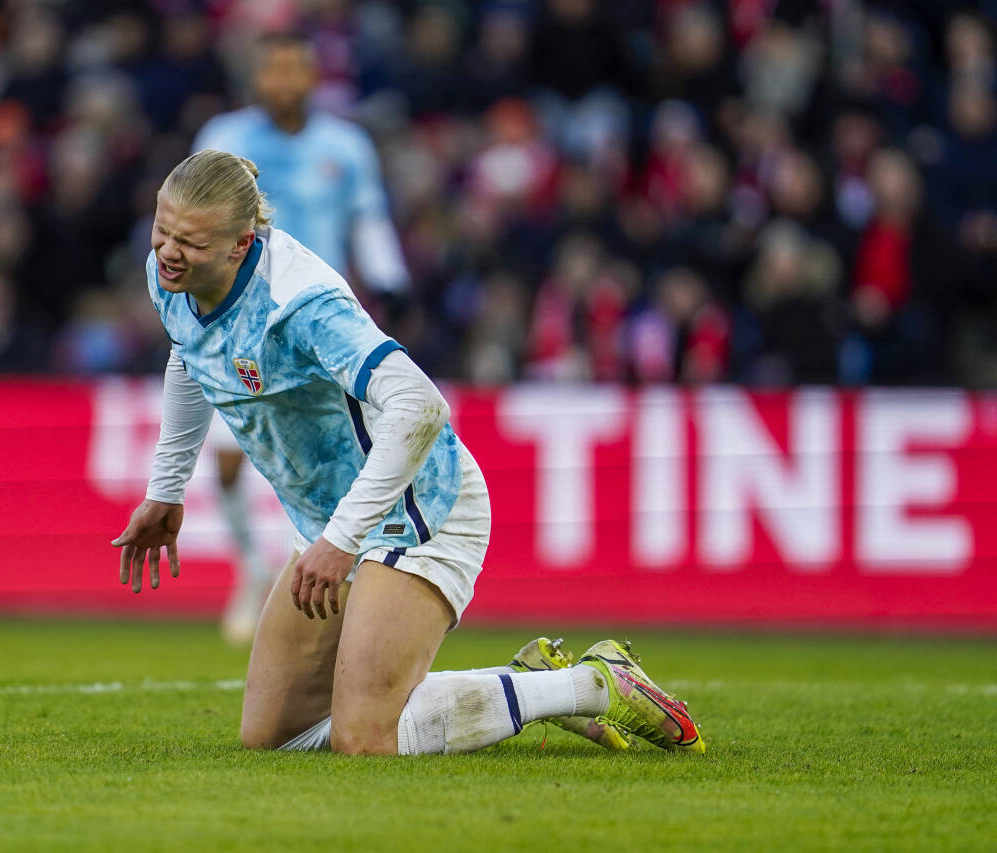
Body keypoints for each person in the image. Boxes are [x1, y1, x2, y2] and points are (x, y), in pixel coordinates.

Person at [111, 150, 706, 756]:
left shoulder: (301, 306)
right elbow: (190, 352)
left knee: (366, 737)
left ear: (242, 243)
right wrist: (166, 488)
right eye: (162, 231)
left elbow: (422, 406)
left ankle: (590, 685)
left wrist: (342, 540)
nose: (167, 252)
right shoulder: (170, 277)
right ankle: (527, 685)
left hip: (420, 509)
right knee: (273, 736)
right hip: (333, 521)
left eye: (190, 241)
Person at [191, 33, 412, 643]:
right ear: (257, 79)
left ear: (314, 77)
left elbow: (368, 220)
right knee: (231, 462)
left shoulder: (346, 146)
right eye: (274, 71)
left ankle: (352, 575)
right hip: (237, 324)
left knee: (340, 455)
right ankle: (250, 570)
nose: (285, 82)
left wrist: (394, 285)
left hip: (320, 325)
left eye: (296, 70)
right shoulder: (226, 140)